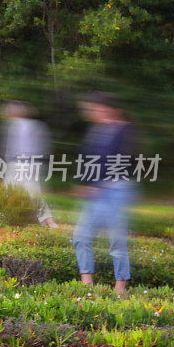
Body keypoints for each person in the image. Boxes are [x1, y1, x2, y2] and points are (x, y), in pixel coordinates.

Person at [73, 91, 136, 295]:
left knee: (116, 240)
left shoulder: (125, 130)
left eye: (95, 108)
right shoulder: (96, 130)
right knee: (81, 235)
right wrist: (85, 182)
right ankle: (86, 283)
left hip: (115, 191)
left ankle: (120, 286)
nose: (91, 112)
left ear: (109, 108)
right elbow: (88, 158)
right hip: (96, 191)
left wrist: (97, 184)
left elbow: (123, 161)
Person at [0, 101, 57, 228]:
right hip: (32, 163)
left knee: (12, 191)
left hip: (19, 163)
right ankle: (45, 221)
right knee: (32, 193)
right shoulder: (37, 125)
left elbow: (13, 148)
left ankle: (47, 221)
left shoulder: (15, 125)